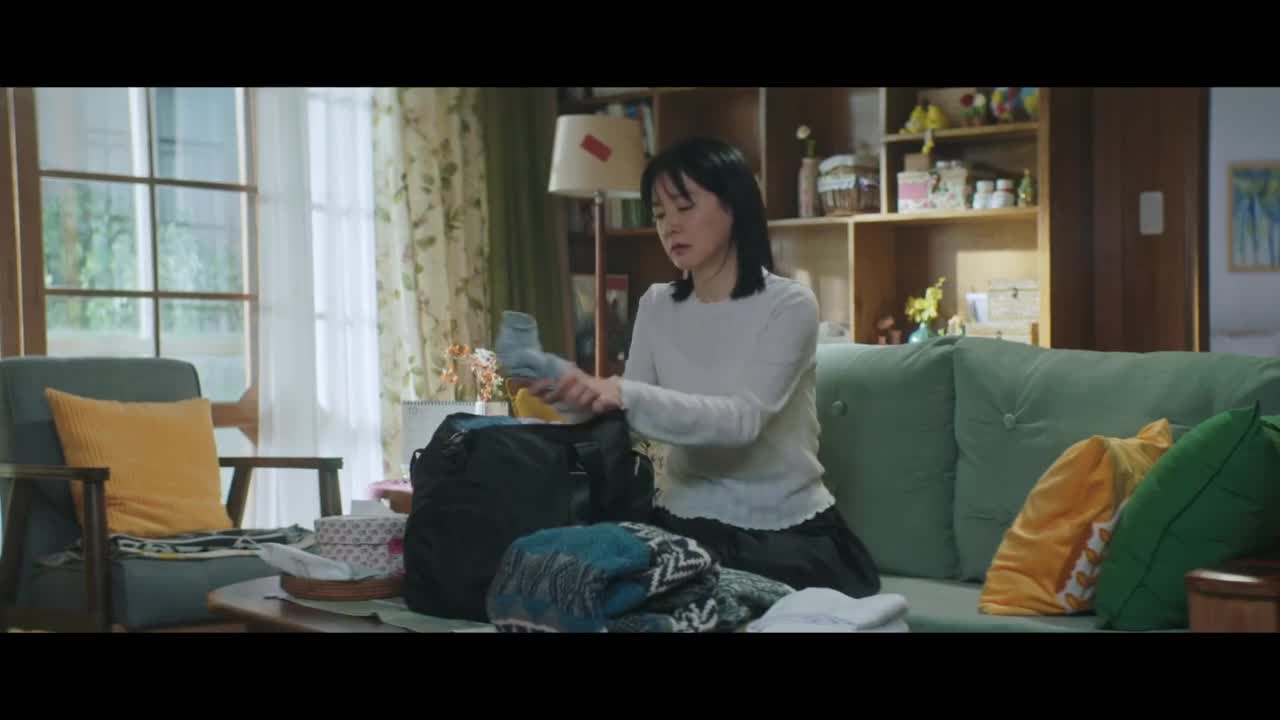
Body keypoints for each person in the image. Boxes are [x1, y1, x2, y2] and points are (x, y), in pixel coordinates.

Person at [531, 136, 881, 599]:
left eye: (684, 206)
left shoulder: (789, 304)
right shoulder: (657, 305)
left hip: (783, 533)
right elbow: (629, 419)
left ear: (734, 206)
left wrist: (622, 392)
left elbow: (742, 421)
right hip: (681, 525)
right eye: (659, 214)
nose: (669, 226)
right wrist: (574, 398)